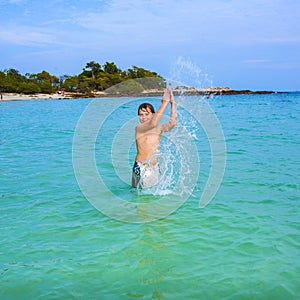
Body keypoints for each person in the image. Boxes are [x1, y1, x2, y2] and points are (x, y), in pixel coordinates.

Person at [132, 88, 177, 189]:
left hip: (154, 168)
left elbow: (172, 123)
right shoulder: (139, 129)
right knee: (140, 197)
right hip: (141, 167)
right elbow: (153, 123)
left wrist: (173, 103)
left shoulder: (158, 129)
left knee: (152, 198)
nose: (143, 117)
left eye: (147, 114)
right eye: (141, 115)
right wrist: (164, 103)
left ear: (153, 115)